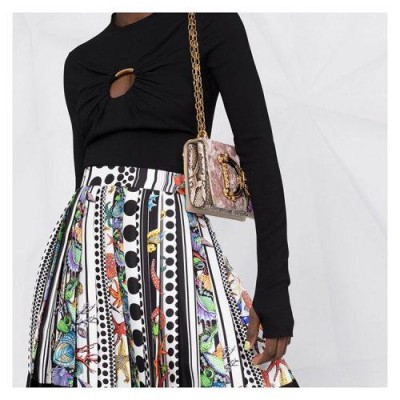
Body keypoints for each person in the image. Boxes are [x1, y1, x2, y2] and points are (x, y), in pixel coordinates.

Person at [25, 12, 299, 388]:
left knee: (227, 371)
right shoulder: (79, 62)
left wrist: (274, 287)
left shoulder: (208, 24)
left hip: (175, 253)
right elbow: (83, 183)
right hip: (87, 264)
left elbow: (258, 152)